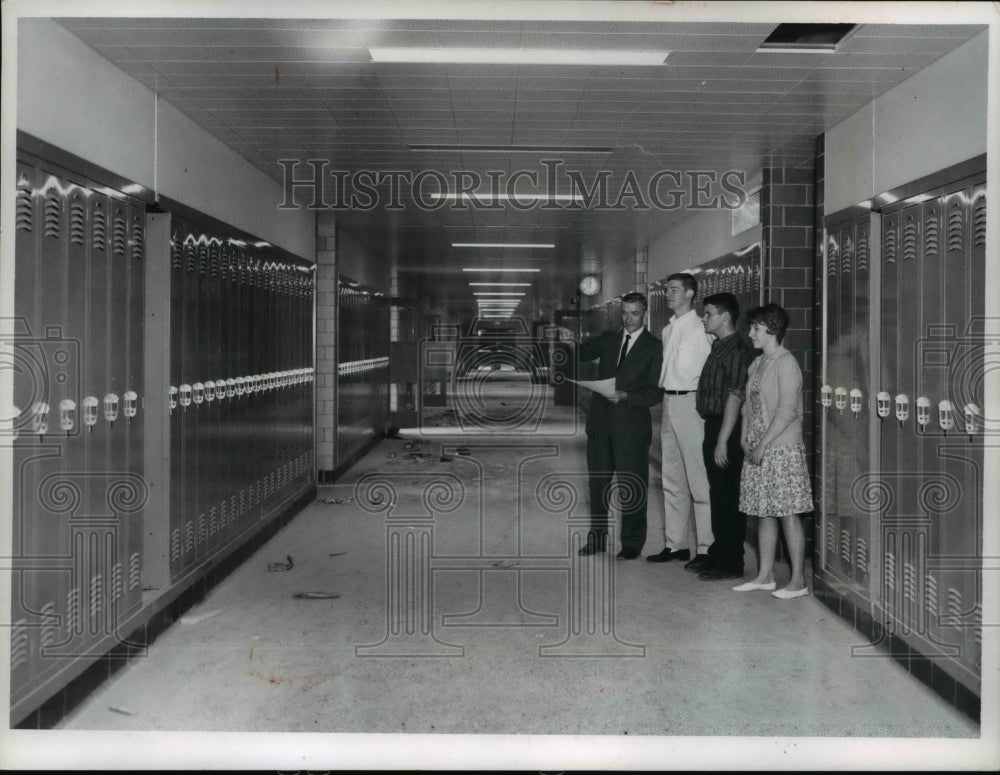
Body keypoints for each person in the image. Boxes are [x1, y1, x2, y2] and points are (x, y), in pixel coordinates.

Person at [732, 303, 814, 599]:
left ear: (772, 330)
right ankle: (765, 575)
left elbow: (787, 411)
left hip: (780, 447)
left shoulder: (786, 362)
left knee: (788, 512)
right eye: (751, 327)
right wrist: (744, 439)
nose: (750, 333)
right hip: (757, 446)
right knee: (763, 511)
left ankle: (797, 581)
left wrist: (763, 445)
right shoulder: (757, 363)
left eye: (755, 328)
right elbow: (747, 407)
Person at [577, 292, 663, 559]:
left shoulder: (654, 347)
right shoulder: (610, 338)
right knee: (598, 485)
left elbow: (655, 392)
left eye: (634, 313)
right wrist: (568, 342)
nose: (628, 319)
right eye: (624, 313)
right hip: (601, 425)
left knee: (633, 486)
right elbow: (583, 353)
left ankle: (632, 544)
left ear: (644, 313)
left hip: (632, 428)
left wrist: (626, 396)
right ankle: (597, 539)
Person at [647, 273, 713, 568]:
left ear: (690, 293)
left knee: (698, 479)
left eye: (674, 290)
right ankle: (676, 545)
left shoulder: (702, 329)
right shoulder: (667, 330)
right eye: (666, 289)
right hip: (670, 402)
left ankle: (706, 548)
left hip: (692, 402)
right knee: (671, 477)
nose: (668, 294)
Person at [695, 293, 756, 581]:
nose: (704, 318)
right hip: (716, 426)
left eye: (708, 313)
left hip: (726, 429)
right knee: (718, 494)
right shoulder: (720, 346)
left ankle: (732, 562)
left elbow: (735, 396)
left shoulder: (736, 351)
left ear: (725, 316)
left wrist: (722, 440)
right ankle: (719, 553)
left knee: (729, 497)